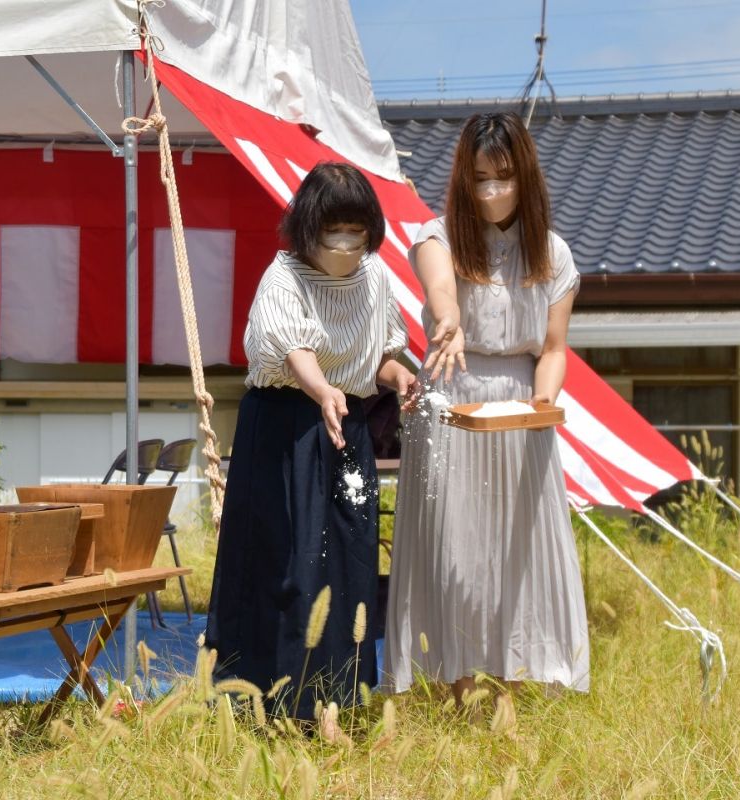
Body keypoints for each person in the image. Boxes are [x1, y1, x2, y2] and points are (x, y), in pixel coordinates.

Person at [384, 113, 590, 704]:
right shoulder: (437, 236)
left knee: (517, 548)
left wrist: (543, 401)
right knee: (455, 549)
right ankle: (454, 686)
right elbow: (440, 295)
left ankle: (514, 685)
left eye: (503, 177)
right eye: (480, 179)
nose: (492, 191)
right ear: (462, 179)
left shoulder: (552, 254)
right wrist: (447, 322)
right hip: (451, 398)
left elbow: (553, 349)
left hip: (522, 410)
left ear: (525, 176)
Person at [206, 162, 417, 716]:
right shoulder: (284, 277)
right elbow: (292, 349)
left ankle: (339, 698)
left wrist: (401, 380)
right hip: (285, 429)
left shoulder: (374, 279)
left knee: (348, 561)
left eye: (357, 232)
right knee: (289, 564)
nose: (347, 244)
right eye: (335, 232)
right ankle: (268, 700)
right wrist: (322, 388)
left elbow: (380, 358)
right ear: (308, 228)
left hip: (344, 429)